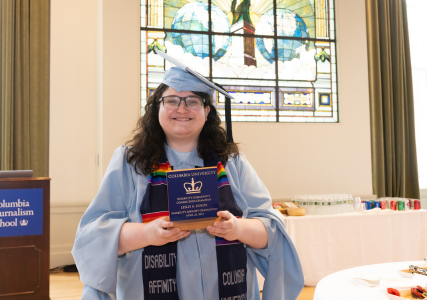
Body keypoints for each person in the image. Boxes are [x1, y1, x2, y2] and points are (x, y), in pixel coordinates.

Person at [72, 51, 304, 300]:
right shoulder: (130, 162)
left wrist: (237, 228)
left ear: (206, 111)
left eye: (192, 101)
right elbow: (94, 236)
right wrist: (148, 233)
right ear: (156, 108)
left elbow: (271, 232)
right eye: (171, 100)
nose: (181, 109)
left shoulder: (232, 163)